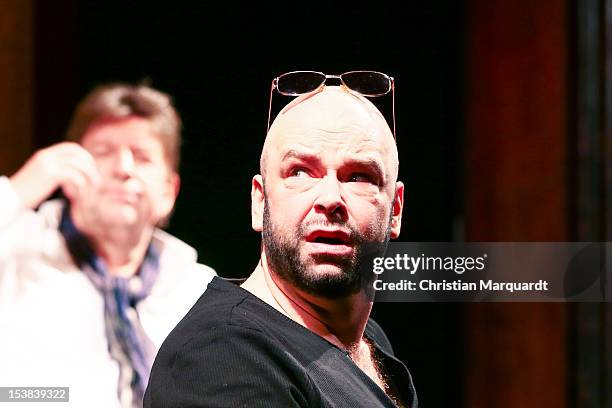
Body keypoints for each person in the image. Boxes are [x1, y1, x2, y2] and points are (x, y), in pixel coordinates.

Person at [145, 77, 418, 407]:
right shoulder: (221, 358)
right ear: (259, 202)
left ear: (396, 210)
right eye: (300, 172)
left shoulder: (369, 340)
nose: (330, 198)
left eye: (359, 176)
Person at [0, 83, 216, 408]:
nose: (123, 169)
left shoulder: (197, 290)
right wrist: (20, 189)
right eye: (103, 152)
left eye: (142, 157)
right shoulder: (17, 249)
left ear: (169, 192)